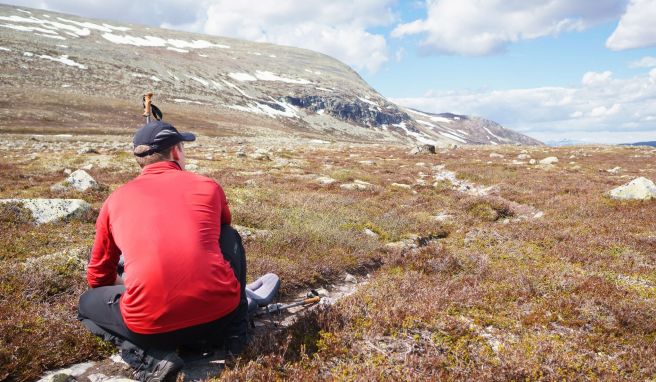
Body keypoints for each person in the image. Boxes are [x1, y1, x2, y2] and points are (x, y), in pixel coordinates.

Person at [78, 121, 248, 382]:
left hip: (152, 330)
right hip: (219, 318)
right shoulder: (208, 186)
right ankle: (238, 332)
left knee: (86, 304)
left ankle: (152, 359)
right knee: (229, 234)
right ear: (176, 151)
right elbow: (223, 226)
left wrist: (130, 285)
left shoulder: (115, 200)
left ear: (139, 159)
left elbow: (97, 279)